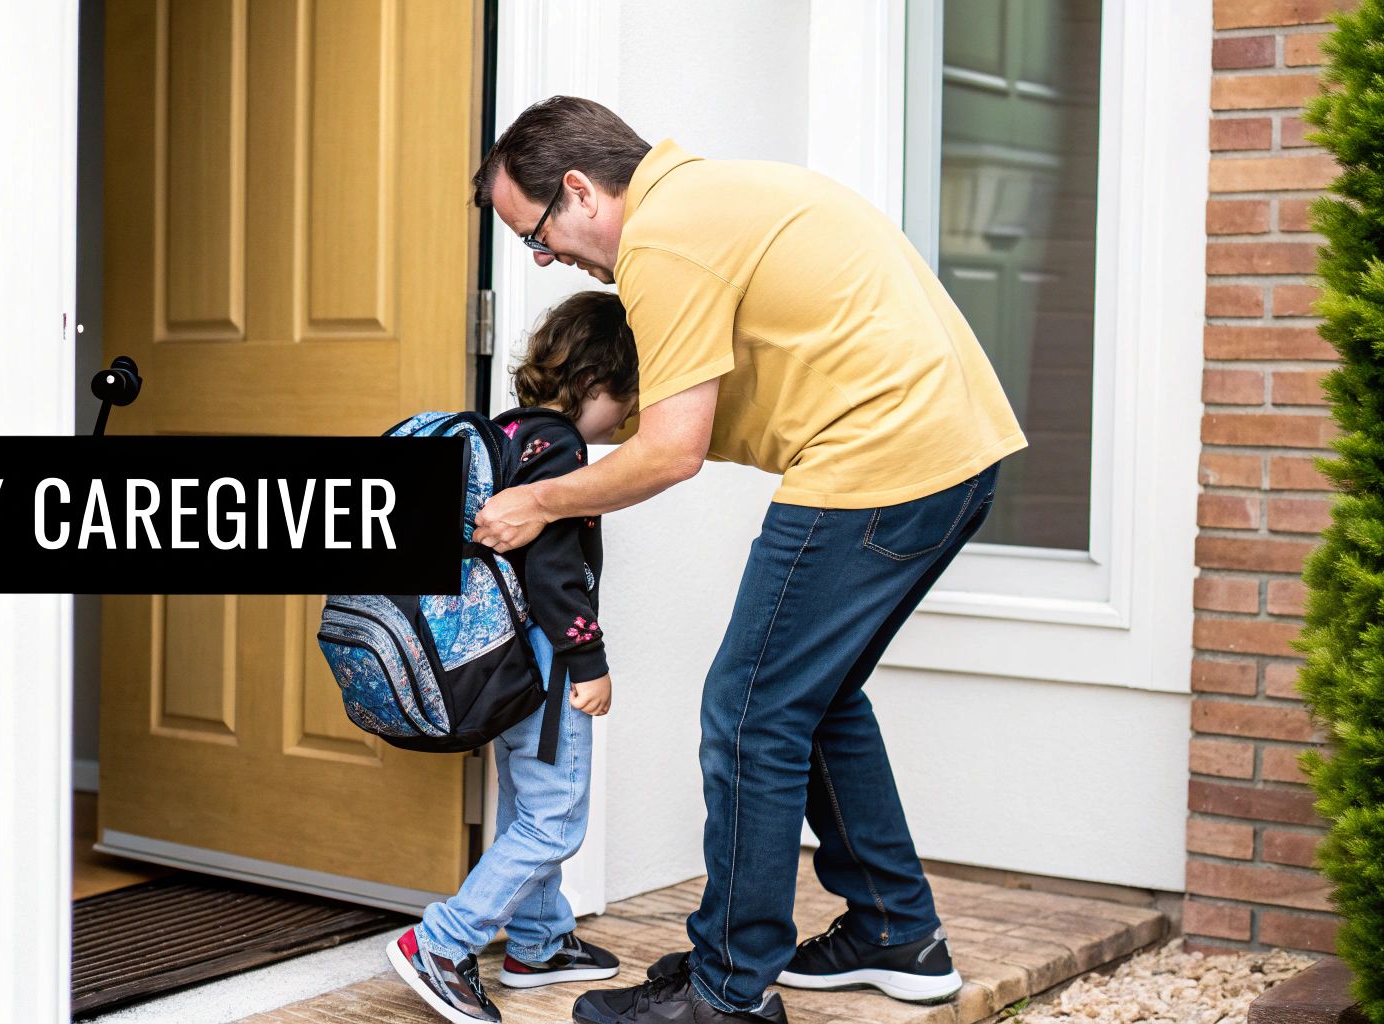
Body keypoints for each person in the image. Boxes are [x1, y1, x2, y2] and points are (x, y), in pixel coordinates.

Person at [469, 96, 1028, 1024]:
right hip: (950, 456)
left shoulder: (665, 240)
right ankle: (896, 930)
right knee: (813, 699)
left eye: (536, 233)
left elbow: (672, 451)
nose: (544, 257)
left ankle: (725, 994)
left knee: (748, 712)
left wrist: (536, 500)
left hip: (880, 459)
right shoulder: (715, 199)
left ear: (578, 191)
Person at [387, 290, 642, 1024]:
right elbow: (555, 573)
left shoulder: (504, 433)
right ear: (596, 385)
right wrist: (589, 663)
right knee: (556, 817)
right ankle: (441, 943)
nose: (623, 421)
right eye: (623, 403)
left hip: (498, 657)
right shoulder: (560, 449)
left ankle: (537, 940)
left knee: (530, 806)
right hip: (545, 660)